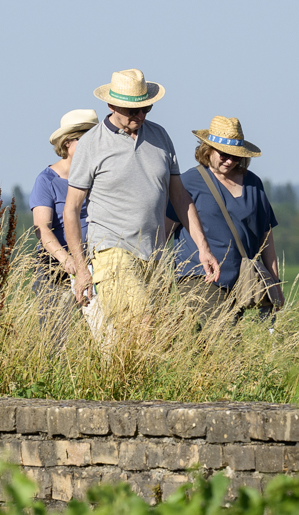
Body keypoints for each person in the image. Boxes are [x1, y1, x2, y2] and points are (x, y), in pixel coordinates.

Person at [64, 69, 209, 335]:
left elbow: (179, 196)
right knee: (144, 323)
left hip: (155, 253)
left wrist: (203, 247)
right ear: (111, 106)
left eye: (146, 108)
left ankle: (117, 364)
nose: (141, 116)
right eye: (133, 111)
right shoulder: (91, 143)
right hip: (112, 249)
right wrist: (82, 268)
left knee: (147, 338)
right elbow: (71, 209)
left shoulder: (160, 136)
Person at [173, 117, 283, 320]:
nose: (230, 161)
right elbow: (165, 228)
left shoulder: (253, 183)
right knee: (225, 334)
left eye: (236, 156)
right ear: (208, 150)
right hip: (201, 276)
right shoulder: (189, 182)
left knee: (221, 340)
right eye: (224, 154)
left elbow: (266, 237)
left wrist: (274, 283)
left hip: (242, 281)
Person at [29, 108, 100, 279]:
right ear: (67, 142)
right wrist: (67, 260)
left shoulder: (99, 176)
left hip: (97, 263)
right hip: (58, 269)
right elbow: (42, 228)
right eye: (86, 140)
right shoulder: (47, 180)